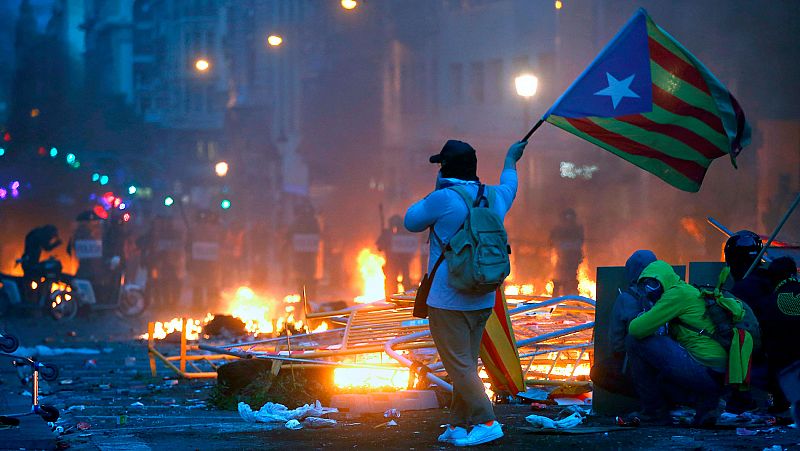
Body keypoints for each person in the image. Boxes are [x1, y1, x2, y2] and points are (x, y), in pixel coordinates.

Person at [404, 138, 527, 446]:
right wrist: (511, 159)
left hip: (448, 298)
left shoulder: (443, 198)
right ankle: (459, 424)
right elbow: (510, 184)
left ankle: (487, 421)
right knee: (466, 364)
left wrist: (438, 188)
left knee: (458, 365)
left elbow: (410, 221)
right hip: (485, 294)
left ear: (445, 168)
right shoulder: (494, 197)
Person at [626, 260, 734, 426]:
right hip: (716, 372)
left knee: (634, 342)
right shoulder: (685, 290)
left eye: (654, 283)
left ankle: (653, 412)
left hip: (705, 369)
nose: (650, 290)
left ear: (664, 280)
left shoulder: (676, 295)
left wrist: (643, 314)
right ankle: (705, 404)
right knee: (662, 379)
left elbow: (636, 330)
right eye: (646, 286)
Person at [590, 250, 657, 398]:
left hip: (640, 365)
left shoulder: (626, 299)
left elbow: (616, 341)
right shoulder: (671, 294)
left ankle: (648, 402)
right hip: (668, 365)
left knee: (598, 372)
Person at [377, 214, 416, 298]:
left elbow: (412, 248)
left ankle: (406, 298)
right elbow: (379, 247)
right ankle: (391, 298)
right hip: (391, 263)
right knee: (391, 283)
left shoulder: (405, 235)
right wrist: (385, 239)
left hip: (403, 262)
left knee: (405, 282)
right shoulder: (387, 234)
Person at [549, 208, 584, 297]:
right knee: (558, 280)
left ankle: (571, 303)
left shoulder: (577, 230)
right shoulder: (557, 230)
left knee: (570, 282)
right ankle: (556, 303)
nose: (568, 222)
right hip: (562, 260)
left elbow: (579, 243)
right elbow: (552, 243)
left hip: (572, 261)